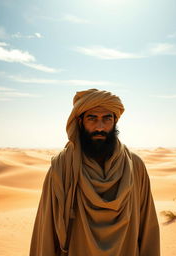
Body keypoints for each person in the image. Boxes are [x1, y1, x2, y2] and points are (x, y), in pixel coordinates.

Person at [30, 89, 160, 256]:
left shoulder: (135, 166)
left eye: (107, 118)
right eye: (92, 118)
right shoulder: (62, 167)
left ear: (115, 121)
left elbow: (148, 229)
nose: (100, 127)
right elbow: (46, 232)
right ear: (80, 121)